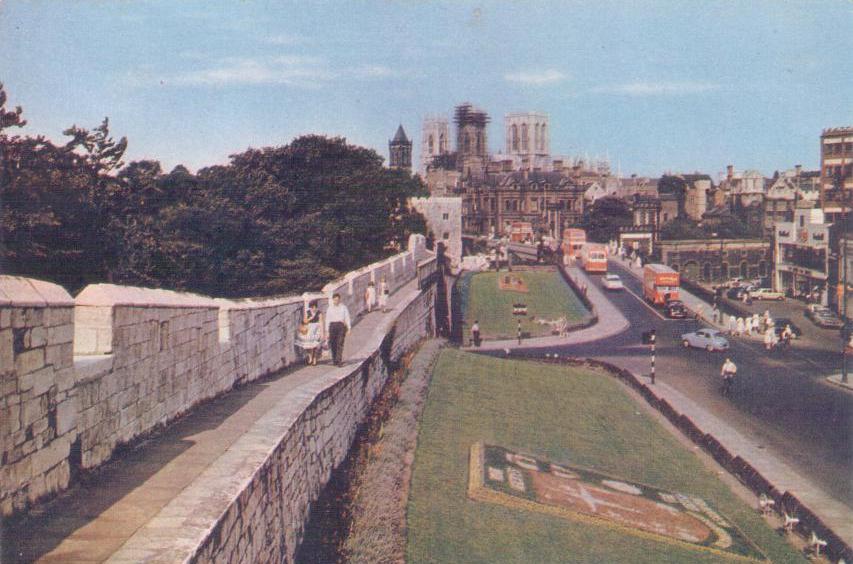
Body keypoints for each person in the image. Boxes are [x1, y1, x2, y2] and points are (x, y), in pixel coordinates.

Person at [325, 293, 351, 366]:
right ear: (333, 300)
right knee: (333, 344)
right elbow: (327, 319)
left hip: (341, 326)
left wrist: (349, 328)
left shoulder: (343, 307)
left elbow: (347, 317)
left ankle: (339, 360)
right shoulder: (330, 308)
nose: (336, 301)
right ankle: (334, 359)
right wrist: (327, 331)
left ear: (339, 300)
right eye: (335, 300)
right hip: (332, 326)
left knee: (340, 343)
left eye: (337, 300)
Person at [297, 301, 323, 365]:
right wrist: (309, 319)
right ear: (310, 307)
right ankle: (310, 357)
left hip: (316, 330)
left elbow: (321, 323)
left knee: (315, 345)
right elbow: (304, 321)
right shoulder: (307, 312)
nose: (314, 309)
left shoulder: (319, 313)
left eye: (315, 307)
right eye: (312, 307)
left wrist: (322, 332)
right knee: (308, 345)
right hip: (309, 329)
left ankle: (314, 359)